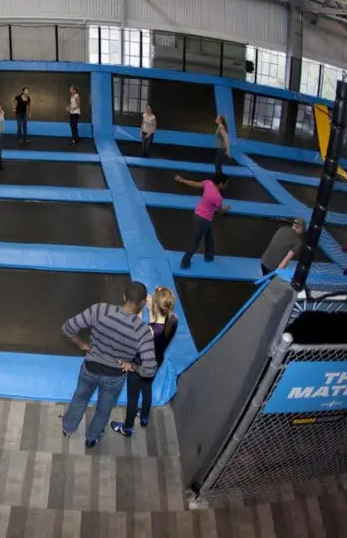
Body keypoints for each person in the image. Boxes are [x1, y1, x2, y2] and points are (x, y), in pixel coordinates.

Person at [60, 282, 156, 448]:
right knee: (104, 408)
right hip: (115, 376)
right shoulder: (142, 332)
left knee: (80, 397)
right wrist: (132, 366)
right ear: (142, 304)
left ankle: (68, 428)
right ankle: (92, 438)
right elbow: (149, 369)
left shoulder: (100, 310)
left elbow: (68, 328)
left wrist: (82, 345)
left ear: (124, 297)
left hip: (90, 368)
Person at [111, 287, 178, 436]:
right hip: (156, 363)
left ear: (155, 306)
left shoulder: (148, 330)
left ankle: (127, 428)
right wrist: (153, 305)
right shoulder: (173, 320)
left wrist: (139, 314)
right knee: (147, 388)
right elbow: (160, 325)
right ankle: (144, 416)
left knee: (133, 397)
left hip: (139, 366)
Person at [175, 173, 230, 269]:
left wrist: (181, 180)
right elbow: (220, 211)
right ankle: (185, 262)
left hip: (197, 215)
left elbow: (194, 184)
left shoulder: (208, 183)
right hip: (204, 220)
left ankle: (209, 256)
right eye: (226, 183)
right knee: (195, 241)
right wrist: (226, 208)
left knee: (208, 234)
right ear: (221, 184)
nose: (226, 185)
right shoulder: (218, 197)